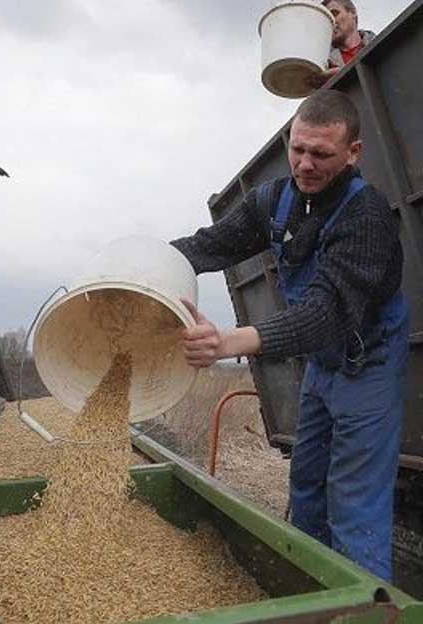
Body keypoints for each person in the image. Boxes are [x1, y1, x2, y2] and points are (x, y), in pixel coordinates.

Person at [169, 90, 409, 581]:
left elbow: (325, 312)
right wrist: (134, 271)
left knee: (353, 505)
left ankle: (362, 607)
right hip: (321, 366)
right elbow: (207, 248)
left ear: (352, 153)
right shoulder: (274, 200)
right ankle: (313, 595)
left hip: (368, 362)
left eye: (320, 154)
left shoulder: (367, 218)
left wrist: (229, 343)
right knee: (305, 488)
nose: (304, 164)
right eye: (298, 149)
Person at [308, 0, 376, 88]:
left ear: (353, 13)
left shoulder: (384, 45)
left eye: (334, 14)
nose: (331, 22)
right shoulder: (323, 66)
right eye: (326, 20)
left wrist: (345, 74)